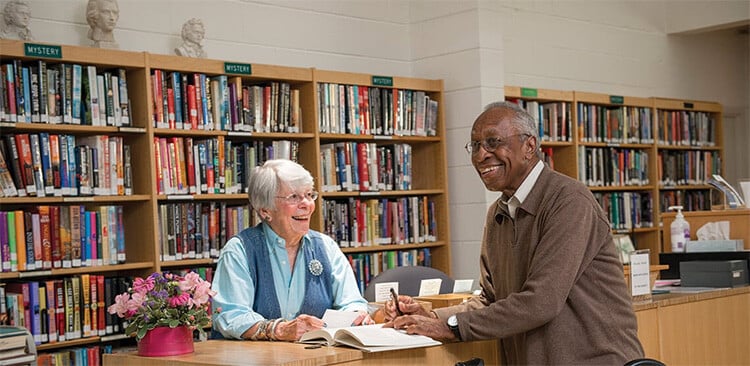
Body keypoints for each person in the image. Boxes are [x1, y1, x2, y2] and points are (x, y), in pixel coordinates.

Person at [385, 101, 644, 364]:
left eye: (493, 142)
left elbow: (541, 301)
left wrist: (452, 327)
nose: (480, 155)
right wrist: (433, 318)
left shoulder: (569, 201)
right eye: (475, 146)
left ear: (529, 146)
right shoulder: (498, 213)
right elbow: (489, 300)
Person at [211, 159, 373, 341]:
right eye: (294, 197)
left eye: (309, 195)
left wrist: (356, 315)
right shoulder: (239, 251)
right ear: (265, 211)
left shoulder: (326, 247)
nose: (307, 204)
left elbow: (351, 301)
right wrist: (279, 330)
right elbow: (231, 315)